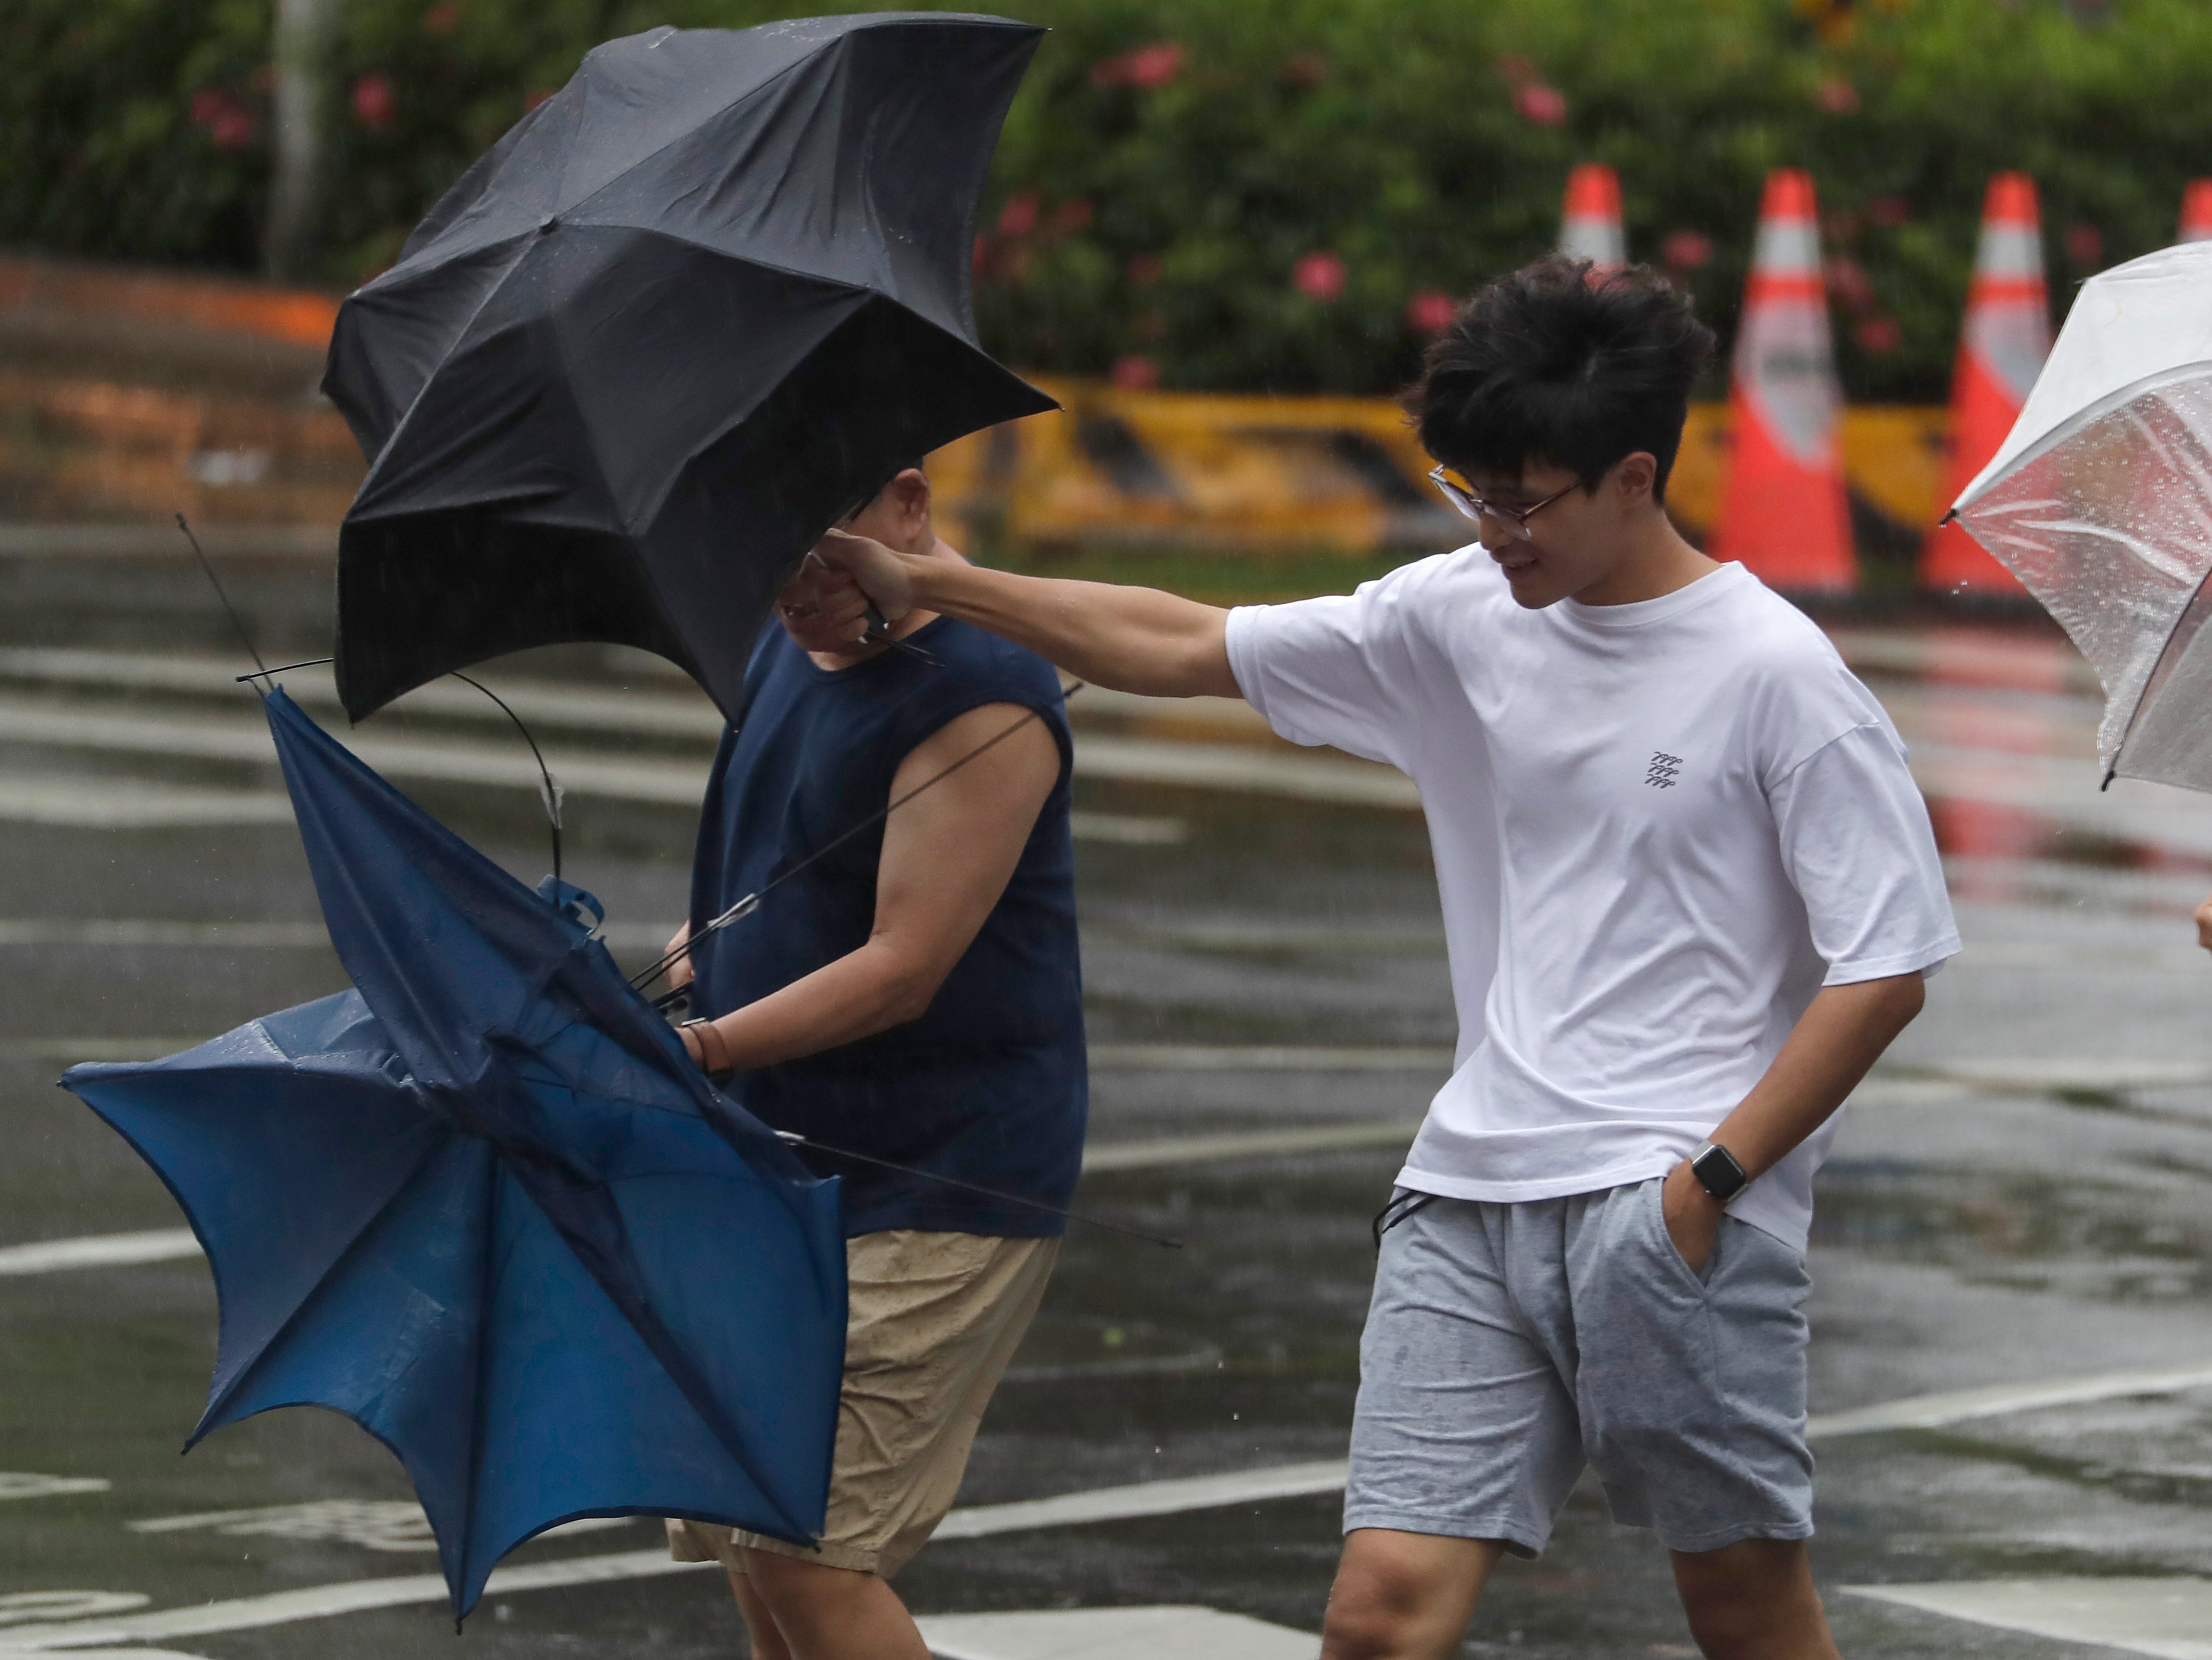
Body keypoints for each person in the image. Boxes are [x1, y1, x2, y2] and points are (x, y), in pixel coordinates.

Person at [795, 260, 1960, 1660]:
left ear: (1634, 476)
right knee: (1377, 1614)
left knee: (1742, 1606)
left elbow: (1885, 961)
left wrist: (1708, 1182)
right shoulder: (1459, 611)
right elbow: (1181, 642)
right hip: (1468, 1191)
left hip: (1669, 1206)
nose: (1492, 530)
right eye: (1467, 490)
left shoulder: (1776, 675)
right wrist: (934, 583)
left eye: (1523, 500)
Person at [659, 461, 1084, 1660]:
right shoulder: (784, 649)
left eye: (817, 558)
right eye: (764, 563)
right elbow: (775, 883)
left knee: (811, 1544)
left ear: (907, 506)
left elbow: (904, 963)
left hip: (934, 1173)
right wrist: (691, 958)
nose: (795, 593)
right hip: (765, 1156)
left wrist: (704, 1045)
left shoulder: (981, 699)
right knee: (755, 1537)